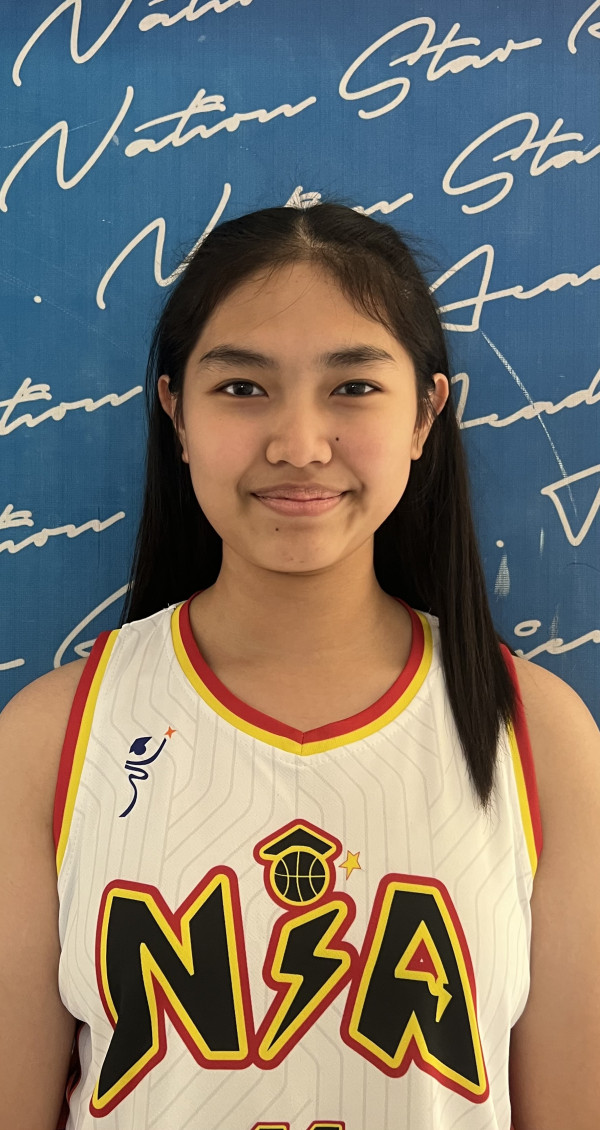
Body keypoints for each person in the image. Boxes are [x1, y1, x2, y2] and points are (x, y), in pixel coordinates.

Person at [1, 201, 599, 1130]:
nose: (299, 445)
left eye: (353, 387)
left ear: (426, 412)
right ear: (176, 411)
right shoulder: (50, 737)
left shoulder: (538, 733)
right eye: (243, 387)